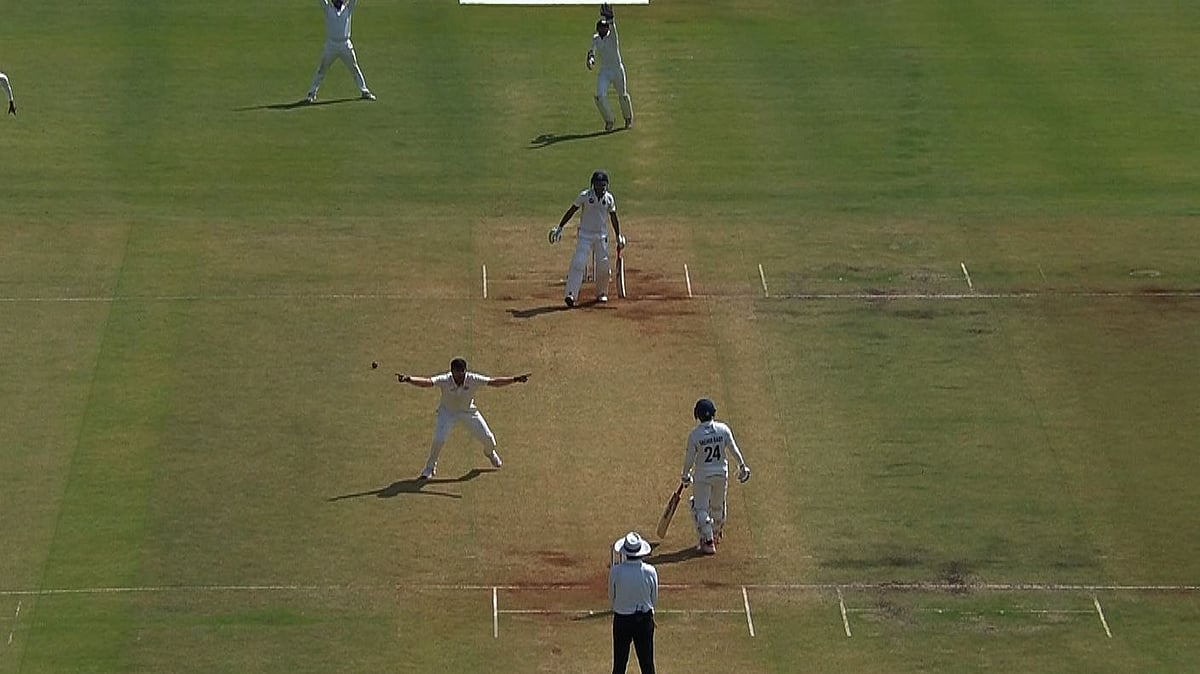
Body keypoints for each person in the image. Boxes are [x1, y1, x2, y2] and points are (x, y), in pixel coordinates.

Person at [394, 358, 530, 480]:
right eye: (456, 373)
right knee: (439, 440)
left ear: (465, 371)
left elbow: (493, 382)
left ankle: (489, 453)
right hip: (447, 413)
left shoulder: (473, 378)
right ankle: (429, 468)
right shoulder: (445, 379)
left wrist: (514, 379)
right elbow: (428, 382)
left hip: (468, 412)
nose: (459, 376)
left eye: (462, 373)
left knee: (489, 439)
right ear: (451, 372)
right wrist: (409, 379)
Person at [680, 398, 751, 555]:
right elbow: (734, 449)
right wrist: (742, 466)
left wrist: (685, 476)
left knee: (700, 508)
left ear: (697, 415)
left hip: (702, 476)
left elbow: (689, 459)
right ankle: (716, 533)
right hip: (721, 474)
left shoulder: (695, 435)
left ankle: (709, 541)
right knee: (718, 506)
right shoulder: (723, 429)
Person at [548, 170, 625, 307]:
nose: (601, 188)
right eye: (598, 184)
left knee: (604, 267)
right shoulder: (585, 196)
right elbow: (572, 210)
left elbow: (613, 217)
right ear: (593, 185)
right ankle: (570, 294)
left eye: (603, 185)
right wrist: (560, 227)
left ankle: (602, 293)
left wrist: (618, 235)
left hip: (601, 236)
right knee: (578, 263)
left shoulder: (609, 199)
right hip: (585, 235)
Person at [305, 0, 375, 104]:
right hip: (331, 45)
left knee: (354, 68)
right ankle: (311, 93)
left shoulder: (347, 8)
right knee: (321, 70)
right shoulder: (328, 8)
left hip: (345, 45)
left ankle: (364, 91)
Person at [609, 532, 657, 674]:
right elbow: (653, 598)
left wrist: (622, 606)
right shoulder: (650, 571)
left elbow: (612, 596)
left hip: (622, 620)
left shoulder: (616, 571)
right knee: (647, 665)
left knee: (619, 665)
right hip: (644, 620)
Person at [587, 3, 633, 132]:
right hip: (605, 72)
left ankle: (628, 118)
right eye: (601, 29)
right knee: (599, 96)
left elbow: (613, 26)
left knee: (623, 96)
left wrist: (611, 18)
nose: (603, 31)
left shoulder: (612, 37)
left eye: (605, 29)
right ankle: (609, 120)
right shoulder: (595, 38)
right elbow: (592, 51)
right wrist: (590, 60)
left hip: (617, 69)